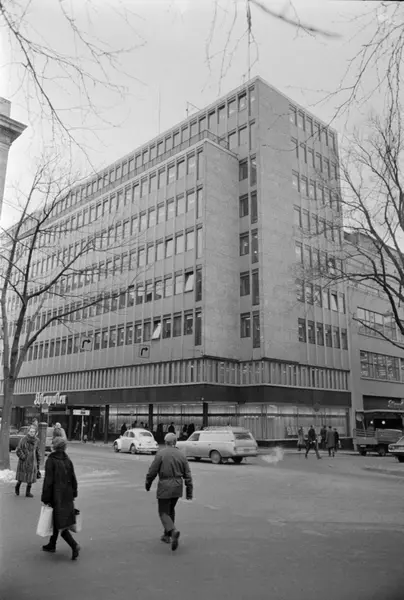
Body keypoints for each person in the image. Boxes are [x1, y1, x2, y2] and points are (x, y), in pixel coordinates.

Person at [145, 432, 193, 551]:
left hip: (165, 485)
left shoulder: (161, 454)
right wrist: (189, 491)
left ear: (165, 442)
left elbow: (152, 471)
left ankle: (172, 531)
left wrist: (148, 483)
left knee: (163, 512)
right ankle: (167, 535)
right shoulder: (181, 455)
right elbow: (188, 474)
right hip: (177, 486)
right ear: (175, 442)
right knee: (170, 509)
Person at [41, 437, 80, 560]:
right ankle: (52, 544)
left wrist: (46, 498)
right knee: (58, 519)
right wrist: (74, 493)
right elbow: (73, 478)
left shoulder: (51, 460)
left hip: (56, 495)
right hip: (67, 495)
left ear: (54, 446)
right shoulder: (67, 460)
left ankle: (74, 545)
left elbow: (48, 481)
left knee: (60, 523)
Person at [15, 425, 41, 498]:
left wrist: (38, 461)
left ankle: (28, 492)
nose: (32, 433)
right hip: (24, 462)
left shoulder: (37, 440)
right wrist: (23, 457)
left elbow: (37, 451)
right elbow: (18, 450)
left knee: (30, 478)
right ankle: (17, 486)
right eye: (31, 431)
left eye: (33, 432)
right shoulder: (23, 439)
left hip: (32, 461)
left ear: (35, 432)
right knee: (21, 477)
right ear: (28, 432)